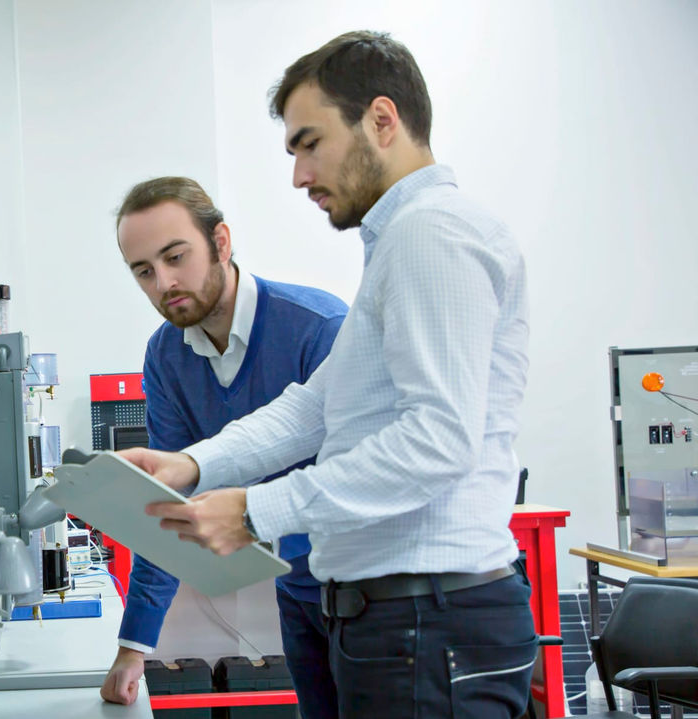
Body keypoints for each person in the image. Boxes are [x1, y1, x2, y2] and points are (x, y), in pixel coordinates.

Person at [121, 32, 535, 718]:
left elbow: (438, 440)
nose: (299, 175)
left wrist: (258, 510)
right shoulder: (400, 244)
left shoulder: (430, 235)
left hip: (426, 623)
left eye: (309, 143)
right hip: (400, 623)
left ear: (381, 119)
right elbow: (312, 407)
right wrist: (190, 464)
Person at [99, 176, 347, 718]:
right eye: (143, 271)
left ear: (222, 242)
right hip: (300, 595)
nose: (163, 282)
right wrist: (134, 645)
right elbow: (166, 506)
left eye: (175, 256)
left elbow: (360, 475)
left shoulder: (319, 329)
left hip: (367, 595)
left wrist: (252, 512)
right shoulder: (167, 356)